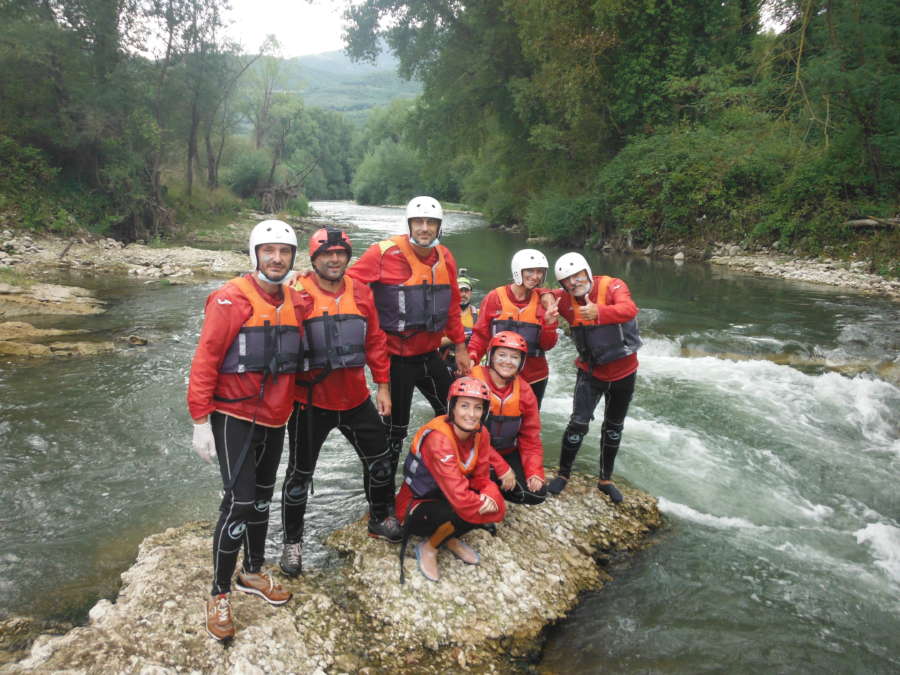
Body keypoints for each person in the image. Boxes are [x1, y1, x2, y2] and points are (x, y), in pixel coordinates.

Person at [188, 219, 302, 642]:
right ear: (254, 254)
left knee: (261, 501)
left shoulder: (296, 300)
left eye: (284, 252)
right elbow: (205, 360)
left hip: (276, 417)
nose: (276, 259)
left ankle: (252, 572)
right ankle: (218, 593)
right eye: (268, 251)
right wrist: (200, 420)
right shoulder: (229, 299)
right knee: (239, 502)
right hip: (234, 416)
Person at [279, 228, 402, 576]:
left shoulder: (361, 292)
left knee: (379, 462)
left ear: (348, 257)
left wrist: (383, 385)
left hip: (355, 398)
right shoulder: (297, 292)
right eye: (326, 254)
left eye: (340, 253)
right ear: (314, 259)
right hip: (310, 402)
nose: (334, 260)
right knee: (299, 476)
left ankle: (380, 518)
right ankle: (292, 544)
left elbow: (376, 340)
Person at [347, 196, 471, 479]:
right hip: (396, 361)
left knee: (455, 412)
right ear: (409, 224)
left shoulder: (445, 257)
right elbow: (346, 283)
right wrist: (306, 281)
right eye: (419, 222)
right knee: (395, 430)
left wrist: (461, 347)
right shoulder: (382, 253)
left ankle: (452, 473)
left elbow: (451, 305)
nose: (425, 228)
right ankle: (384, 491)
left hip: (430, 355)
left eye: (431, 223)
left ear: (439, 227)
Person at [544, 252, 641, 504]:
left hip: (624, 372)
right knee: (578, 423)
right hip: (590, 372)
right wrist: (547, 300)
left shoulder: (612, 285)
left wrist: (598, 311)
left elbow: (629, 309)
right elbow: (541, 292)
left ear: (587, 272)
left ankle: (605, 479)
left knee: (614, 427)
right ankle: (563, 474)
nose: (574, 282)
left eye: (578, 276)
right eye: (567, 280)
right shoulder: (564, 300)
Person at [396, 376, 507, 583]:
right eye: (464, 406)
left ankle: (448, 537)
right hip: (417, 504)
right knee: (467, 511)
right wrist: (492, 506)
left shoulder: (481, 433)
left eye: (478, 408)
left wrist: (491, 495)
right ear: (452, 408)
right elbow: (460, 499)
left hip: (446, 496)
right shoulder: (438, 440)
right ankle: (429, 547)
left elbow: (482, 478)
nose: (471, 415)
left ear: (485, 412)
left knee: (485, 503)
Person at [468, 249, 559, 408]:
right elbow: (481, 335)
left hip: (534, 376)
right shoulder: (495, 297)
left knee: (528, 423)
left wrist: (550, 324)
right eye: (530, 271)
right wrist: (472, 357)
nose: (535, 276)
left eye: (540, 272)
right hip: (497, 374)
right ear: (518, 270)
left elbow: (547, 345)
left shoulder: (544, 301)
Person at [469, 331, 547, 505]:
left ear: (521, 362)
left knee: (537, 493)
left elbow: (531, 438)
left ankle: (491, 485)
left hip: (506, 451)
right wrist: (502, 468)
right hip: (471, 452)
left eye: (514, 357)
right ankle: (484, 486)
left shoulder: (525, 391)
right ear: (491, 356)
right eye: (502, 355)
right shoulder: (473, 380)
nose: (507, 361)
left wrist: (534, 471)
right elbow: (468, 434)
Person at [439, 272, 478, 369]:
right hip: (448, 360)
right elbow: (435, 343)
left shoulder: (478, 314)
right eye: (460, 291)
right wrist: (459, 338)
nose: (463, 294)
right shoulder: (443, 315)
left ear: (471, 293)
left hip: (470, 361)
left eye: (466, 291)